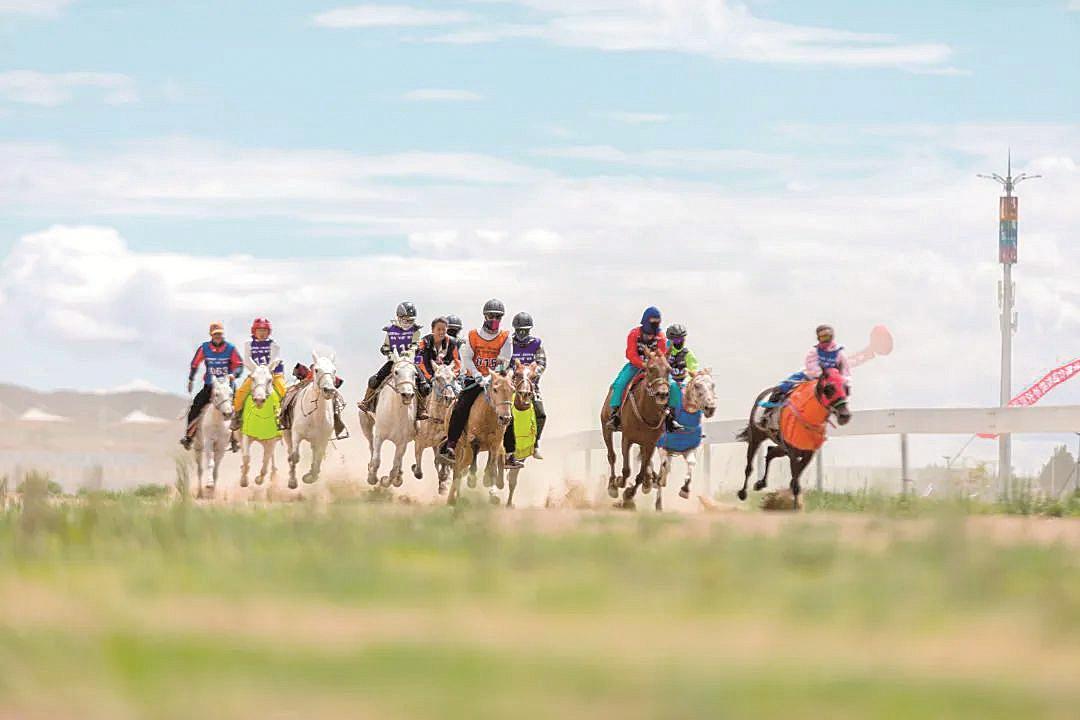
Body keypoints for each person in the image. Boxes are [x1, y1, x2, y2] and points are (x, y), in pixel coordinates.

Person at [438, 299, 525, 469]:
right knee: (461, 406)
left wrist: (492, 376)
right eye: (492, 316)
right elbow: (467, 358)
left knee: (507, 412)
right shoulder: (473, 335)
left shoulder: (505, 337)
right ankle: (451, 445)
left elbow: (504, 360)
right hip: (474, 379)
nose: (495, 320)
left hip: (495, 380)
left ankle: (510, 453)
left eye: (498, 317)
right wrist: (478, 376)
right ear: (485, 316)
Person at [181, 322, 243, 449]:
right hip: (210, 385)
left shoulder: (230, 348)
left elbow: (239, 365)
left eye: (220, 334)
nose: (218, 336)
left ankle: (235, 439)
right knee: (196, 406)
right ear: (211, 335)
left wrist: (234, 374)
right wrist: (191, 379)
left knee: (237, 407)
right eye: (215, 334)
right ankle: (189, 437)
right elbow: (195, 363)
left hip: (227, 386)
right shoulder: (204, 348)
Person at [606, 307, 667, 432]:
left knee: (669, 384)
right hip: (636, 366)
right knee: (619, 384)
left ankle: (670, 416)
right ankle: (615, 415)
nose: (655, 324)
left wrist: (653, 364)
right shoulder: (634, 334)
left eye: (657, 321)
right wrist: (643, 364)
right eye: (653, 321)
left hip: (654, 368)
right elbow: (631, 354)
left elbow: (662, 354)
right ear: (646, 321)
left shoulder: (661, 337)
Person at [764, 324, 851, 407]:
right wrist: (821, 374)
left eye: (828, 337)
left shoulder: (839, 353)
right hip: (812, 376)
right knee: (787, 383)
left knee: (841, 392)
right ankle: (772, 404)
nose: (826, 340)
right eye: (823, 337)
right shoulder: (814, 351)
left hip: (833, 380)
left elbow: (845, 370)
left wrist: (844, 380)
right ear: (818, 338)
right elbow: (811, 365)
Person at [358, 302, 422, 414]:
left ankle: (421, 409)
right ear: (399, 317)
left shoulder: (416, 331)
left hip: (410, 363)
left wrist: (409, 353)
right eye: (406, 320)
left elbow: (416, 345)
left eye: (411, 320)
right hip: (394, 362)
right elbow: (385, 346)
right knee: (373, 380)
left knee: (424, 384)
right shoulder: (390, 331)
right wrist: (390, 353)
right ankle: (367, 402)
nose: (408, 323)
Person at [231, 318, 286, 434]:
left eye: (264, 330)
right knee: (241, 392)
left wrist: (266, 370)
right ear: (254, 331)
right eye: (259, 330)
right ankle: (237, 415)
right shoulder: (249, 344)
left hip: (274, 373)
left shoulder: (273, 345)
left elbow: (274, 360)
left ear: (268, 332)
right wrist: (258, 371)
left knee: (283, 391)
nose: (262, 333)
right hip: (256, 374)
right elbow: (247, 360)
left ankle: (284, 416)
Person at [510, 311, 548, 459]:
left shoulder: (536, 344)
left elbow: (542, 363)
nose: (522, 333)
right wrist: (514, 373)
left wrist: (530, 373)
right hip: (512, 384)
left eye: (525, 330)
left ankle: (535, 444)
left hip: (531, 385)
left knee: (541, 414)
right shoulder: (508, 343)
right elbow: (504, 362)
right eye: (519, 330)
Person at [279, 361, 349, 439]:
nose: (298, 378)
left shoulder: (314, 374)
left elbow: (308, 381)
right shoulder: (311, 375)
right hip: (323, 390)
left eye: (298, 376)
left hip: (324, 392)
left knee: (333, 407)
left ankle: (337, 426)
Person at [414, 316, 461, 419]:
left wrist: (453, 375)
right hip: (427, 373)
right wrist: (430, 377)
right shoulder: (424, 342)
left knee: (460, 390)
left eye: (444, 329)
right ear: (433, 330)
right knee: (422, 387)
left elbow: (457, 362)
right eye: (438, 329)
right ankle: (420, 410)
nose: (441, 332)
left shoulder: (452, 342)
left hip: (447, 374)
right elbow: (420, 362)